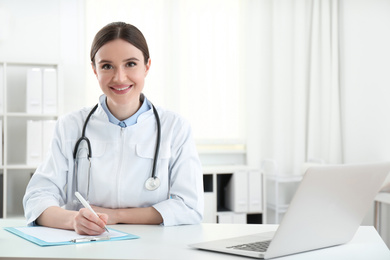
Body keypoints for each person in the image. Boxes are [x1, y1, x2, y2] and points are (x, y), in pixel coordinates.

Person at [23, 22, 204, 235]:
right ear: (94, 69)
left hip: (151, 246)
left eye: (130, 64)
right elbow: (37, 198)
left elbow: (189, 207)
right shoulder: (71, 126)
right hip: (86, 245)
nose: (119, 77)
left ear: (147, 66)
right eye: (107, 66)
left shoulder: (175, 128)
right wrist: (75, 220)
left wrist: (115, 217)